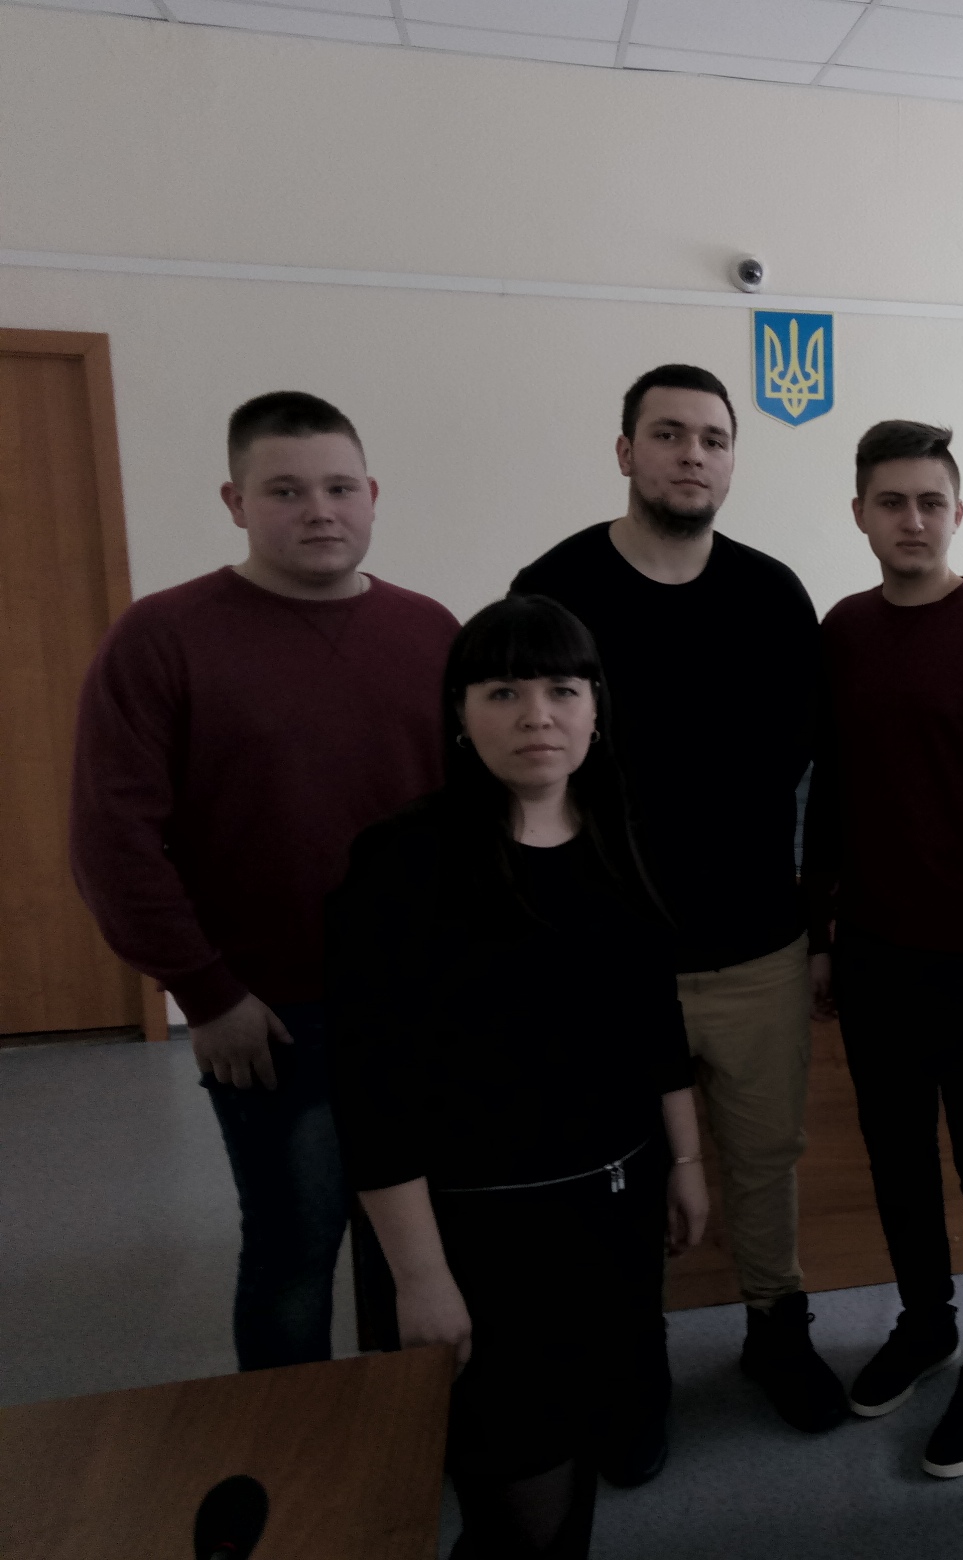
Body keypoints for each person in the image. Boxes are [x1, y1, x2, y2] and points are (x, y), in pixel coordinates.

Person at [69, 391, 456, 1371]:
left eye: (339, 488)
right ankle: (297, 1447)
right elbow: (114, 840)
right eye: (286, 491)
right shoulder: (162, 638)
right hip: (272, 1017)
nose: (319, 510)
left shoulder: (431, 632)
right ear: (235, 501)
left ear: (372, 495)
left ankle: (413, 1425)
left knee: (421, 1243)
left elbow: (475, 819)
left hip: (425, 1002)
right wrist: (206, 994)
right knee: (296, 1246)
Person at [328, 595, 709, 1560]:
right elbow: (373, 1092)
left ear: (595, 709)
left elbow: (654, 1019)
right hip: (479, 1237)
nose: (537, 714)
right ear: (460, 714)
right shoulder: (403, 861)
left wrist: (686, 1161)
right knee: (518, 1500)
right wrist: (420, 1279)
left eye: (562, 689)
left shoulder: (621, 830)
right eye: (504, 691)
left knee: (578, 1461)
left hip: (612, 1216)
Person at [511, 364, 841, 1456]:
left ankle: (776, 1328)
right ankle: (633, 1353)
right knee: (623, 1164)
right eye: (667, 434)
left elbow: (811, 774)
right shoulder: (553, 593)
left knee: (763, 1154)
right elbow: (527, 774)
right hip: (609, 954)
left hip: (754, 946)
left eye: (712, 437)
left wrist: (820, 925)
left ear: (733, 460)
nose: (691, 454)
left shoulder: (774, 596)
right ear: (625, 452)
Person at [804, 420, 963, 1479]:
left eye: (930, 502)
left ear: (957, 513)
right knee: (897, 1159)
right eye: (891, 502)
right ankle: (927, 1323)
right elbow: (828, 794)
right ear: (860, 514)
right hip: (873, 956)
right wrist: (821, 934)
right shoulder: (843, 630)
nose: (911, 520)